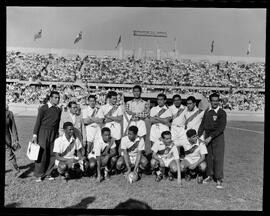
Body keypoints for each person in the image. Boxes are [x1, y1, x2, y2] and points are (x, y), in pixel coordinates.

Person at [198, 92, 227, 189]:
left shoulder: (222, 112)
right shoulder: (207, 111)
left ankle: (218, 178)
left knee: (218, 158)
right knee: (208, 157)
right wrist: (199, 135)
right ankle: (209, 176)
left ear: (219, 101)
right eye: (213, 101)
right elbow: (202, 124)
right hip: (207, 136)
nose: (215, 103)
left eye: (217, 101)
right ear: (210, 101)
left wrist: (211, 137)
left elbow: (221, 127)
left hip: (217, 137)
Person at [31, 91, 61, 182]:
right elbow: (38, 122)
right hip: (43, 132)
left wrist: (57, 134)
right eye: (55, 97)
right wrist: (35, 135)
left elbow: (58, 123)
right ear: (50, 98)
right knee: (42, 153)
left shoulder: (58, 110)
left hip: (54, 133)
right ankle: (39, 174)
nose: (57, 99)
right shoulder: (43, 108)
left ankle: (49, 173)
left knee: (52, 153)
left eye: (58, 98)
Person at [6, 103, 22, 176]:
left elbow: (13, 127)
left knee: (10, 154)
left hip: (7, 139)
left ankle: (17, 170)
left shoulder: (9, 113)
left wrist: (15, 139)